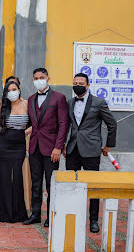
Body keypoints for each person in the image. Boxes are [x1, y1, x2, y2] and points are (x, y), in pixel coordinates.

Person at [64, 73, 117, 233]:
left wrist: (108, 145)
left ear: (87, 85)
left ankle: (93, 220)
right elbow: (66, 125)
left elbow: (112, 124)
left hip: (92, 149)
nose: (77, 85)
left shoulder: (99, 102)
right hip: (72, 149)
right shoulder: (69, 102)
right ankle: (71, 216)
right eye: (75, 82)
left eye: (81, 83)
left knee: (93, 187)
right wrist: (64, 144)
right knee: (71, 184)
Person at [24, 68, 69, 228]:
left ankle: (51, 215)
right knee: (36, 183)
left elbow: (64, 124)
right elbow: (31, 123)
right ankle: (35, 214)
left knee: (51, 184)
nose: (38, 80)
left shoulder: (59, 98)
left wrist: (58, 147)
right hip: (34, 146)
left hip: (51, 148)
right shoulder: (30, 99)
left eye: (41, 77)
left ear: (48, 78)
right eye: (35, 78)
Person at [0, 81, 29, 223]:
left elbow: (36, 124)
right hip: (4, 145)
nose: (12, 92)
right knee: (4, 178)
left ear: (19, 89)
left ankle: (18, 213)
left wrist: (25, 132)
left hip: (19, 145)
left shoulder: (27, 104)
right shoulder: (3, 105)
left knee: (17, 178)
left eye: (14, 89)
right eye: (9, 90)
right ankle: (4, 214)